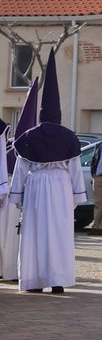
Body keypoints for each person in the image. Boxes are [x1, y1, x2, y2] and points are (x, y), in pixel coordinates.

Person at [11, 52, 86, 293]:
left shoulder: (30, 137)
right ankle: (57, 280)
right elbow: (75, 169)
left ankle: (34, 280)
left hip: (36, 185)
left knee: (34, 232)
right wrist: (76, 197)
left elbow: (21, 169)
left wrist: (17, 197)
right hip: (60, 186)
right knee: (59, 232)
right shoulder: (68, 137)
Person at [0, 79, 37, 282]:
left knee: (11, 235)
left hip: (14, 193)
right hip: (10, 192)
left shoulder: (14, 151)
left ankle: (10, 269)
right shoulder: (9, 152)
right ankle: (8, 268)